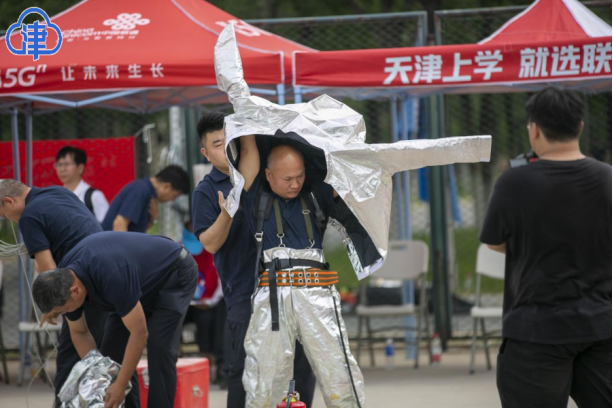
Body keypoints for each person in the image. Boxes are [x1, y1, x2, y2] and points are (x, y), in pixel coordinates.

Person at [480, 87, 612, 409]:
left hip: (536, 329)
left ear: (535, 129)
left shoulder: (513, 182)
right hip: (602, 325)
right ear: (580, 126)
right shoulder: (608, 178)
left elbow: (495, 241)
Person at [191, 112, 317, 408]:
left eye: (230, 140)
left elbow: (249, 150)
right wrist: (227, 213)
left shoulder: (257, 174)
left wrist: (244, 114)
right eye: (218, 144)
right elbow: (209, 243)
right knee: (245, 369)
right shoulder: (206, 191)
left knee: (301, 366)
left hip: (289, 285)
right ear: (206, 153)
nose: (226, 148)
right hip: (245, 293)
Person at [236, 134, 365, 408]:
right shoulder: (255, 195)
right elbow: (247, 147)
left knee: (340, 374)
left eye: (299, 176)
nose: (295, 184)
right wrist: (247, 117)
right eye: (287, 178)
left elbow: (349, 174)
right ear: (268, 174)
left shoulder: (316, 193)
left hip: (317, 292)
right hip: (273, 294)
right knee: (264, 380)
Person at [33, 232, 198, 409]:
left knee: (159, 348)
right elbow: (79, 332)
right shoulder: (63, 278)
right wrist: (100, 375)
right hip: (136, 284)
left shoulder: (111, 276)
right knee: (112, 351)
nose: (65, 314)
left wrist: (120, 385)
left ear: (75, 291)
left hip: (173, 274)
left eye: (64, 310)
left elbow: (139, 333)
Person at [0, 179, 107, 407]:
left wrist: (53, 306)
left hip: (81, 285)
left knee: (70, 356)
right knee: (111, 351)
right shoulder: (57, 191)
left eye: (3, 214)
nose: (7, 219)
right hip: (105, 272)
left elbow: (49, 272)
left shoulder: (29, 216)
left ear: (9, 201)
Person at [102, 165, 190, 232]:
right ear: (167, 186)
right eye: (174, 196)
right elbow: (119, 224)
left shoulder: (148, 194)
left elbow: (136, 230)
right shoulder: (140, 190)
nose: (172, 200)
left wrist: (153, 219)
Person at [55, 146, 110, 223]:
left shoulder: (93, 196)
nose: (62, 169)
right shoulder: (56, 196)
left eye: (66, 164)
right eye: (59, 164)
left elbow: (107, 225)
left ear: (80, 168)